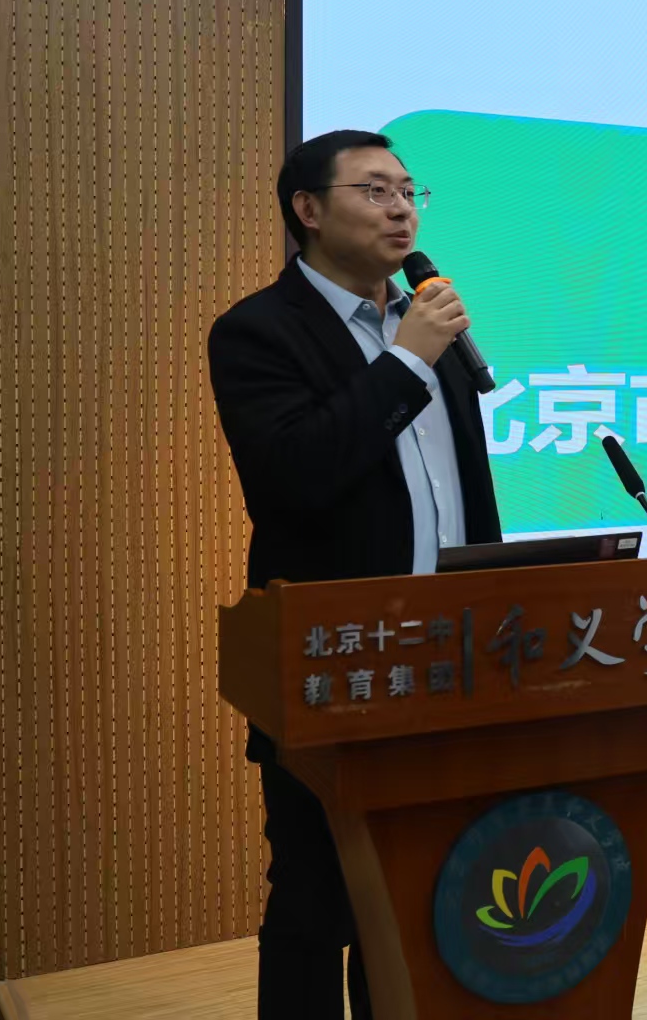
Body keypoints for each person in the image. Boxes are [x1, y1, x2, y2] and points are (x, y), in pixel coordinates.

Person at [207, 129, 502, 1018]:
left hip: (449, 659)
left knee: (419, 896)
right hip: (336, 661)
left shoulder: (431, 325)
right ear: (308, 209)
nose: (401, 208)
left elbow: (465, 498)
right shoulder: (259, 332)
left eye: (409, 190)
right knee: (315, 898)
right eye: (374, 191)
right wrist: (406, 358)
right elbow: (295, 477)